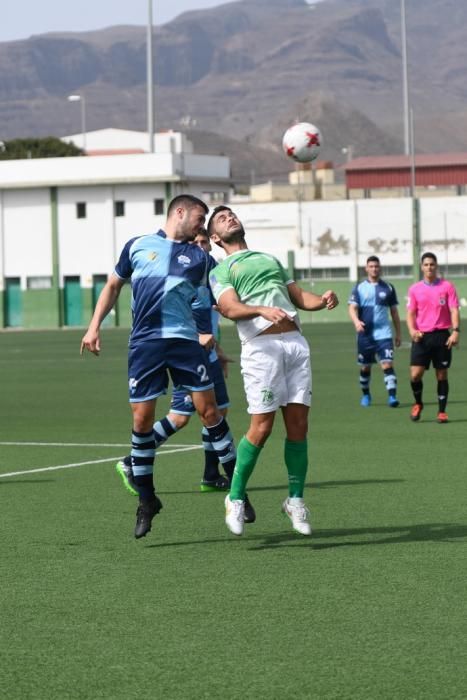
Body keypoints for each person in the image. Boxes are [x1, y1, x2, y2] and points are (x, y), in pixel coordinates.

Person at [80, 194, 243, 540]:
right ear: (179, 213)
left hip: (185, 344)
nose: (202, 225)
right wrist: (94, 326)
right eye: (199, 218)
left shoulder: (201, 258)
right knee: (141, 420)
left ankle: (237, 492)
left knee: (211, 413)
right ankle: (146, 500)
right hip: (145, 345)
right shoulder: (137, 246)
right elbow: (112, 285)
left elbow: (226, 292)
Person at [207, 205, 339, 536]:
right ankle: (234, 497)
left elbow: (299, 297)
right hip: (261, 350)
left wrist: (322, 300)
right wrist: (260, 310)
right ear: (214, 237)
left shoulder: (271, 259)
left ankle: (294, 500)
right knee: (262, 428)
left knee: (298, 426)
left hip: (295, 344)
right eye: (222, 219)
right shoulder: (222, 269)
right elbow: (229, 307)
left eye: (232, 214)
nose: (231, 218)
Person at [115, 228, 238, 494]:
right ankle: (131, 462)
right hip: (185, 355)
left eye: (206, 242)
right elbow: (182, 320)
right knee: (181, 417)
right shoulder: (181, 275)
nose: (202, 246)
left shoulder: (204, 272)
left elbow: (210, 321)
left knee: (218, 411)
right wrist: (200, 339)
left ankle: (210, 474)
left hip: (207, 355)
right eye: (198, 241)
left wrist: (219, 351)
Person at [406, 252, 460, 423]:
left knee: (442, 375)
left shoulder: (447, 287)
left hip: (442, 336)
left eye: (432, 264)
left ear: (436, 266)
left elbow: (454, 310)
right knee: (415, 375)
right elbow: (410, 313)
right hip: (422, 337)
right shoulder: (414, 289)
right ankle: (418, 403)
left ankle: (442, 412)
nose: (429, 267)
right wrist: (412, 331)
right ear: (422, 267)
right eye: (426, 264)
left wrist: (456, 331)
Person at [348, 255, 401, 408]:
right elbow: (352, 308)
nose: (374, 269)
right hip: (365, 336)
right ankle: (366, 395)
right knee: (365, 367)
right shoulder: (359, 287)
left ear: (380, 268)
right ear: (366, 269)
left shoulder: (388, 288)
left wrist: (398, 334)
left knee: (387, 364)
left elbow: (395, 313)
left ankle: (392, 396)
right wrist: (357, 322)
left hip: (384, 335)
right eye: (371, 266)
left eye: (376, 266)